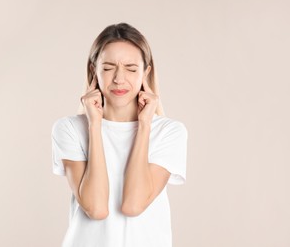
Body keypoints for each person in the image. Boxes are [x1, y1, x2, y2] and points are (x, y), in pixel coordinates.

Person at [51, 22, 188, 247]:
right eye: (108, 67)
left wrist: (144, 126)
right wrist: (94, 125)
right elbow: (96, 208)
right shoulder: (69, 129)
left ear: (146, 72)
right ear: (93, 70)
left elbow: (133, 205)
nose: (119, 78)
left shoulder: (169, 132)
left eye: (131, 68)